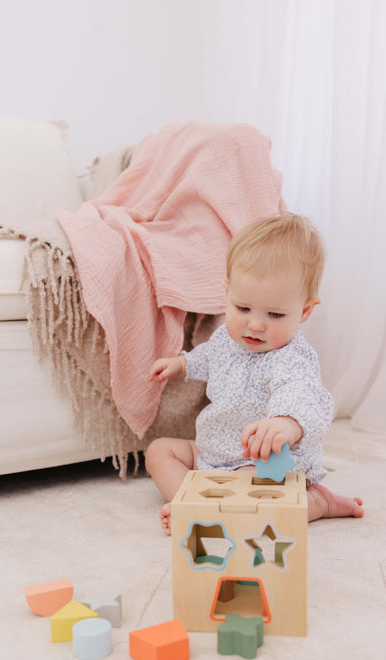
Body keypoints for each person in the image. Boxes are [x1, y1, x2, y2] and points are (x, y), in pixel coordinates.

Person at [145, 214, 363, 533]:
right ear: (228, 294)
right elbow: (210, 356)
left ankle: (315, 501)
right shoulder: (226, 337)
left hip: (260, 463)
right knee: (158, 451)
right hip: (213, 451)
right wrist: (182, 364)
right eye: (243, 309)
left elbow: (303, 396)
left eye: (274, 314)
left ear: (304, 311)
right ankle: (195, 505)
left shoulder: (292, 359)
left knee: (257, 500)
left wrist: (286, 423)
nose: (256, 324)